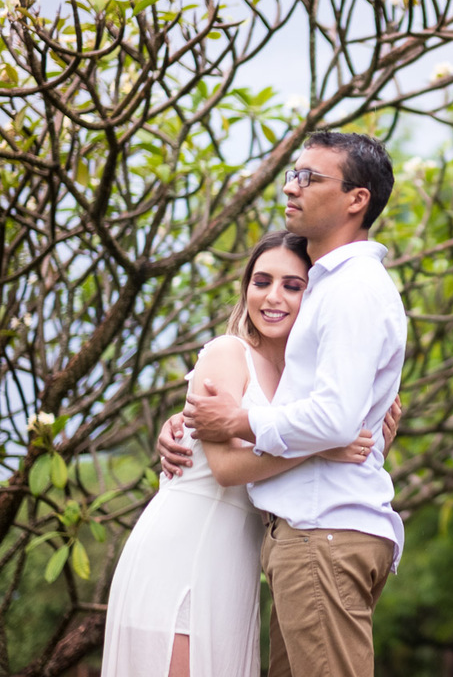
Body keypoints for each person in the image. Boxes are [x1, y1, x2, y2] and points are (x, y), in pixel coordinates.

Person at [103, 231, 385, 677]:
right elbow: (227, 468)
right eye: (261, 281)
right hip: (181, 552)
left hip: (236, 567)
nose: (273, 297)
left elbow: (369, 426)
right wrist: (321, 447)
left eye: (293, 286)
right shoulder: (228, 352)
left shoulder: (310, 381)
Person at [182, 131, 406, 677]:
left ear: (357, 199)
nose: (290, 186)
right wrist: (185, 424)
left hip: (322, 532)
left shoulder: (353, 288)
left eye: (309, 177)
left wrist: (238, 420)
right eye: (292, 174)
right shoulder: (331, 285)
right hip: (309, 534)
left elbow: (334, 418)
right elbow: (301, 393)